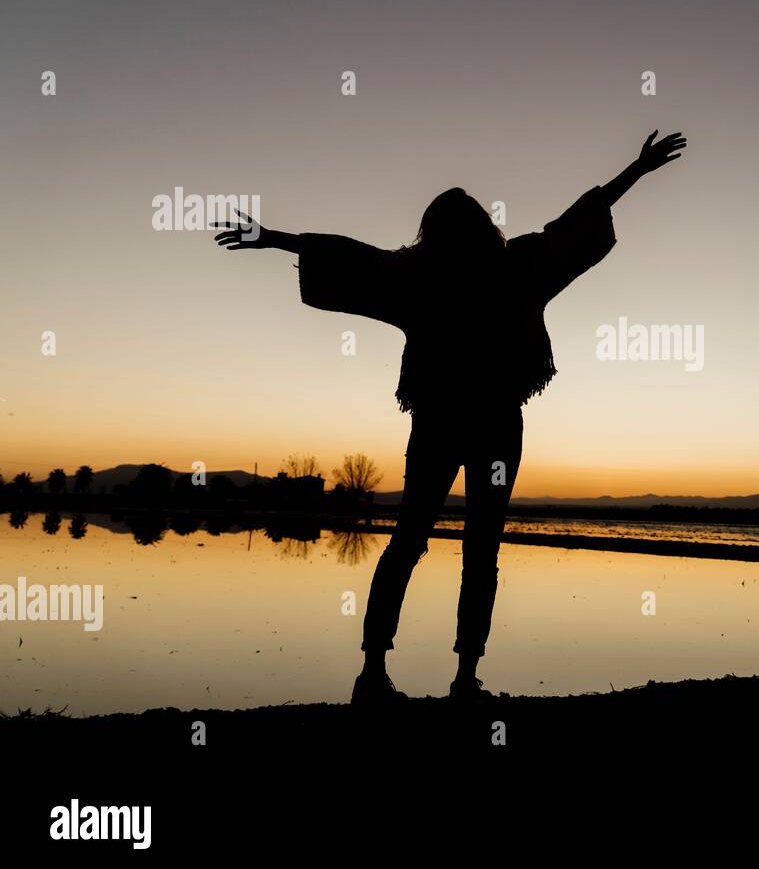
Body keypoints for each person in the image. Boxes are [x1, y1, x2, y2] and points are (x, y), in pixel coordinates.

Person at [213, 130, 687, 703]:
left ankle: (374, 672)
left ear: (430, 232)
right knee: (476, 545)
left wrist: (273, 239)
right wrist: (635, 172)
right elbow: (576, 223)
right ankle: (462, 679)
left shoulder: (422, 275)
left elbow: (353, 257)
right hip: (492, 426)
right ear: (485, 228)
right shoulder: (516, 267)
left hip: (440, 423)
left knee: (411, 538)